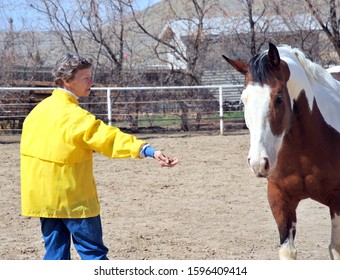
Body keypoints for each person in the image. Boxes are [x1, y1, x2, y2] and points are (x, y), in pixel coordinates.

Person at [20, 52, 179, 260]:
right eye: (86, 78)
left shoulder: (36, 113)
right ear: (67, 81)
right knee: (93, 253)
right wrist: (148, 150)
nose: (91, 83)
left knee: (55, 255)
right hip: (74, 197)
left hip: (44, 199)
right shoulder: (75, 116)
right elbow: (109, 139)